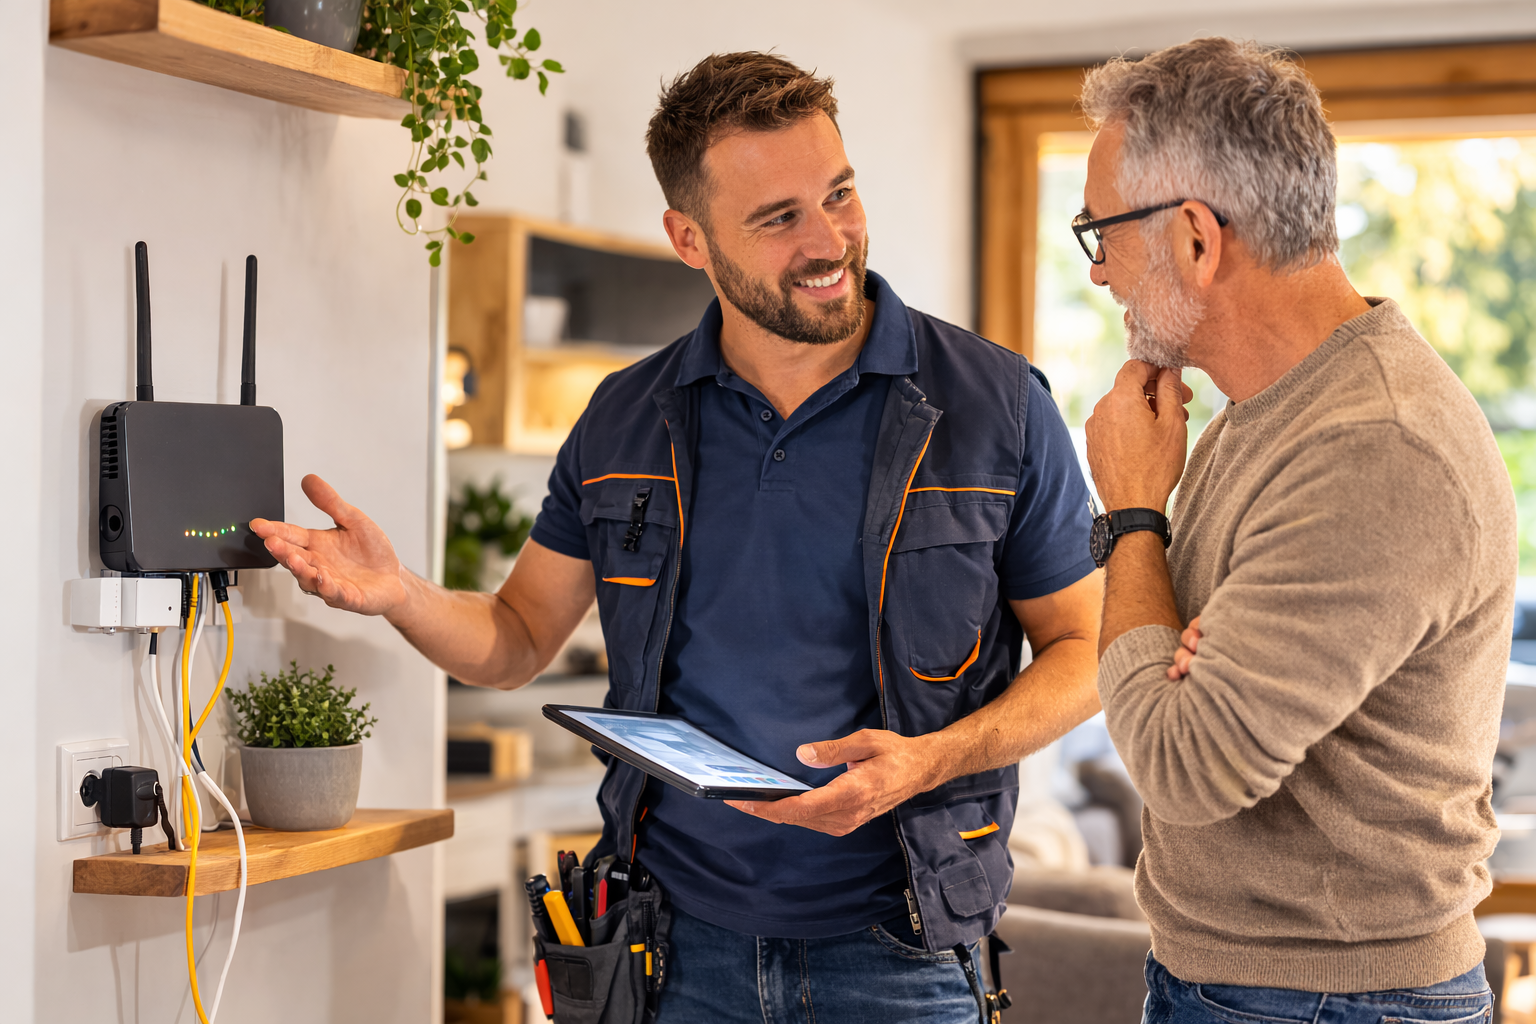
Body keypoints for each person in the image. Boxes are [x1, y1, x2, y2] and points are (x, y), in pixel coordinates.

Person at [253, 52, 1104, 1022]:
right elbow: (517, 637)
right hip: (674, 952)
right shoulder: (622, 419)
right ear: (690, 238)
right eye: (779, 219)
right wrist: (401, 591)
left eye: (840, 194)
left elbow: (1089, 649)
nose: (830, 240)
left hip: (903, 952)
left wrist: (932, 758)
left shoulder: (995, 405)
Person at [1078, 37, 1516, 1022]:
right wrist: (1173, 646)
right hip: (1252, 984)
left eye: (1101, 232)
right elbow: (1163, 685)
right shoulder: (1259, 413)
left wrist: (1136, 515)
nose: (1101, 272)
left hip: (1331, 1002)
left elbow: (1183, 761)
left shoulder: (1375, 450)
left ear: (1195, 236)